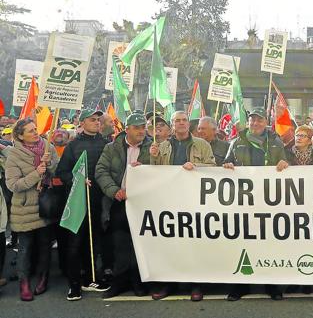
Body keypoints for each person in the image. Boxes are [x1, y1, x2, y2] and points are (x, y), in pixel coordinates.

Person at [223, 107, 288, 302]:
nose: (255, 124)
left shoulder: (275, 142)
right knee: (242, 242)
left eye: (259, 121)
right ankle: (239, 286)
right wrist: (227, 166)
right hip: (243, 200)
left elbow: (285, 162)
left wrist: (284, 163)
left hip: (268, 200)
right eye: (252, 121)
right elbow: (226, 163)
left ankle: (272, 286)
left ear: (265, 123)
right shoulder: (236, 142)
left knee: (269, 242)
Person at [150, 111, 216, 302]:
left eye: (184, 120)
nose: (181, 123)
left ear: (189, 124)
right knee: (170, 242)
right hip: (170, 201)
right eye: (177, 120)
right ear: (172, 125)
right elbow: (154, 173)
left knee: (194, 242)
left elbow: (213, 166)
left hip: (194, 200)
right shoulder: (161, 146)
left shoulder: (202, 144)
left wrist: (195, 166)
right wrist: (152, 157)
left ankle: (196, 284)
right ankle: (168, 283)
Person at [95, 111, 151, 299]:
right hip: (119, 202)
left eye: (143, 127)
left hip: (144, 203)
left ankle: (137, 281)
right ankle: (119, 282)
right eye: (137, 128)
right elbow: (101, 171)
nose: (141, 131)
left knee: (140, 243)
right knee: (120, 242)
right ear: (127, 129)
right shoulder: (112, 148)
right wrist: (113, 190)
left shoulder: (154, 147)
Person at [56, 109, 110, 301]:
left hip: (98, 201)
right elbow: (61, 172)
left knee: (93, 241)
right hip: (78, 201)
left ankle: (91, 278)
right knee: (74, 244)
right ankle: (74, 284)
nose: (97, 122)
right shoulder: (73, 146)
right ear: (82, 122)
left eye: (98, 120)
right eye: (92, 120)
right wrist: (78, 180)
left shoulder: (105, 144)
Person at [5, 118, 59, 301]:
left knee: (45, 246)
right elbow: (13, 185)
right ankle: (24, 283)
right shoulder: (13, 154)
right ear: (20, 136)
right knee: (25, 248)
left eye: (35, 129)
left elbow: (57, 170)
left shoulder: (48, 146)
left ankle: (43, 279)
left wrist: (49, 164)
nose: (36, 133)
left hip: (45, 205)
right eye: (30, 131)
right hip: (25, 208)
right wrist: (37, 173)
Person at [282, 124, 313, 295]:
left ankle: (308, 279)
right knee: (294, 241)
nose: (298, 138)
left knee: (310, 241)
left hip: (312, 201)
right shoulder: (287, 151)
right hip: (292, 201)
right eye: (297, 135)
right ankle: (294, 279)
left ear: (310, 139)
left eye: (303, 136)